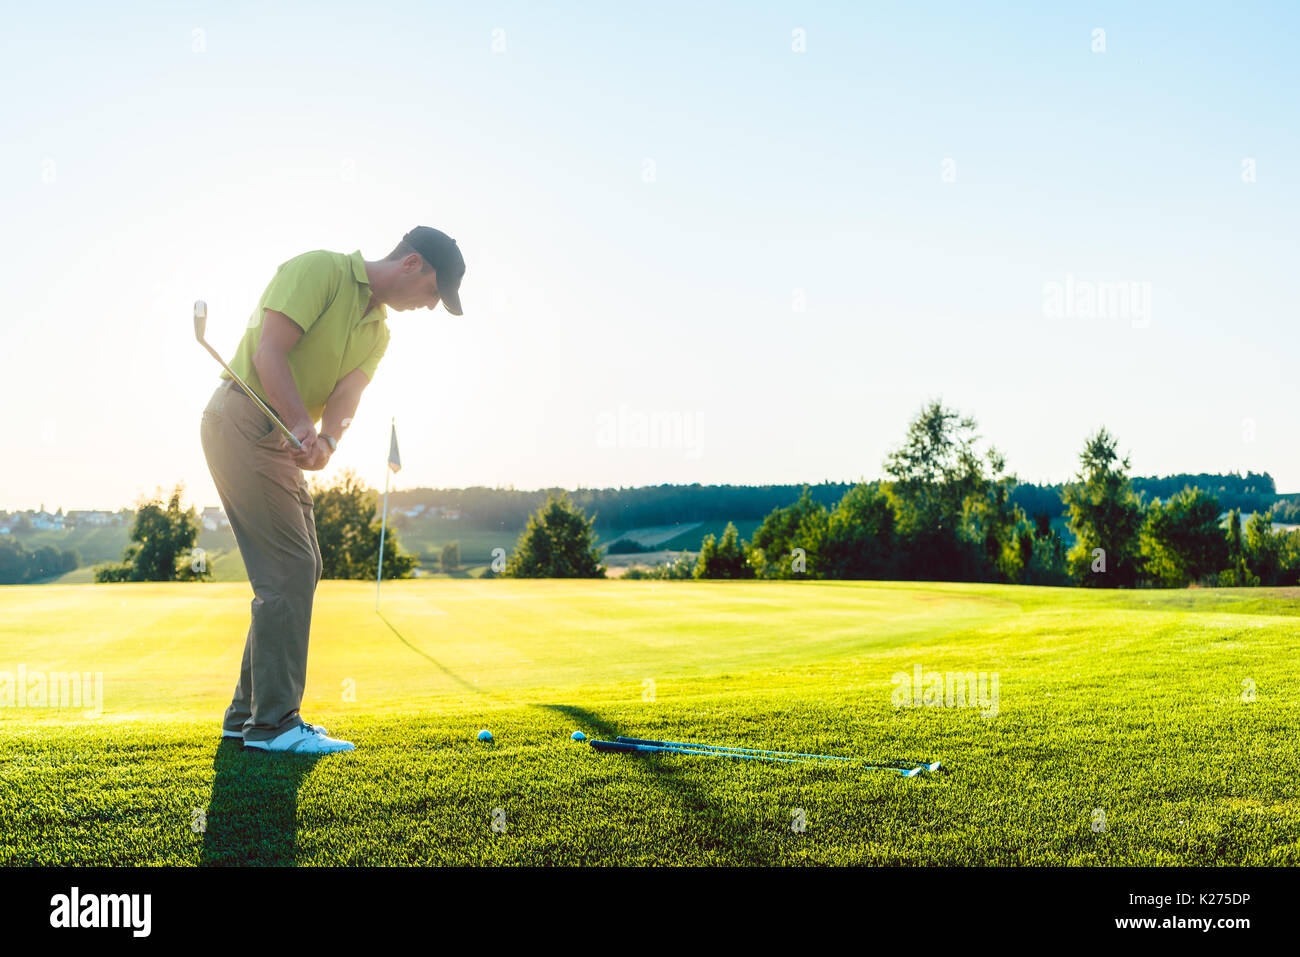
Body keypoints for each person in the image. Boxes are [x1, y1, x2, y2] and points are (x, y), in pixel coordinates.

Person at [199, 226, 465, 755]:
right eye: (435, 291)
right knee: (289, 568)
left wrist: (327, 442)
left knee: (305, 565)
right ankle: (273, 725)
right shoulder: (321, 269)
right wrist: (302, 423)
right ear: (412, 264)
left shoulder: (379, 333)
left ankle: (246, 716)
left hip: (281, 436)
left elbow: (348, 395)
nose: (432, 305)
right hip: (244, 418)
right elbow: (268, 355)